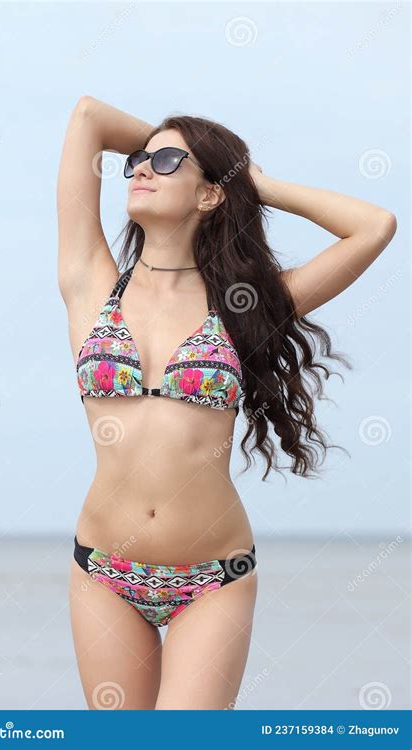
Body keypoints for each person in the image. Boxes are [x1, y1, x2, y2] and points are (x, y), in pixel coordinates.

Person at [57, 96, 397, 710]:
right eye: (137, 159)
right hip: (104, 571)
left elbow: (374, 226)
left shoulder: (247, 307)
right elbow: (87, 118)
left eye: (164, 162)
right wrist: (176, 150)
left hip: (212, 580)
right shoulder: (90, 283)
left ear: (210, 195)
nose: (139, 168)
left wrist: (250, 180)